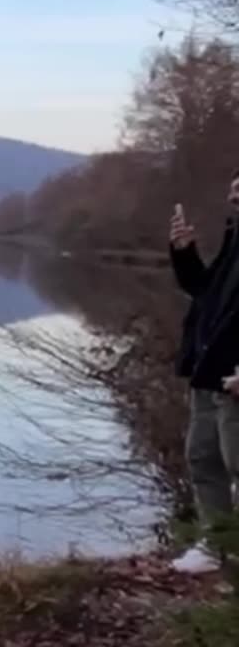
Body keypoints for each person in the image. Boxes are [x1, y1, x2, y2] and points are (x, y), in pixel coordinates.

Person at [168, 172, 239, 574]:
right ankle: (215, 546)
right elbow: (205, 292)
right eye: (232, 190)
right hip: (209, 373)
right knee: (202, 459)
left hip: (236, 381)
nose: (233, 197)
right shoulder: (235, 240)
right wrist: (184, 252)